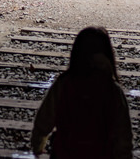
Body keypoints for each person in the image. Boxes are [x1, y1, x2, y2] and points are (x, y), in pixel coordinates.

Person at [31, 27, 132, 159]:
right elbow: (123, 132)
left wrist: (38, 146)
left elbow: (44, 119)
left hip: (65, 153)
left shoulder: (64, 84)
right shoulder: (112, 89)